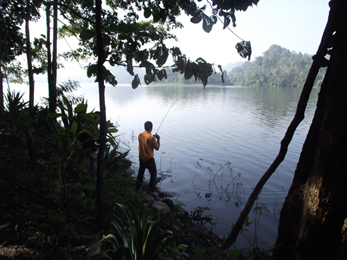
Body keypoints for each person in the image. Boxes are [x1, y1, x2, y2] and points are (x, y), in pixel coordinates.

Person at [136, 121, 160, 197]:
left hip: (141, 158)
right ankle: (151, 190)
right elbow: (157, 148)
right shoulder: (152, 138)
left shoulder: (140, 135)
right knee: (154, 174)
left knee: (140, 173)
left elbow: (146, 141)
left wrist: (152, 138)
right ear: (151, 128)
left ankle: (138, 187)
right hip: (149, 159)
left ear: (144, 127)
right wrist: (158, 139)